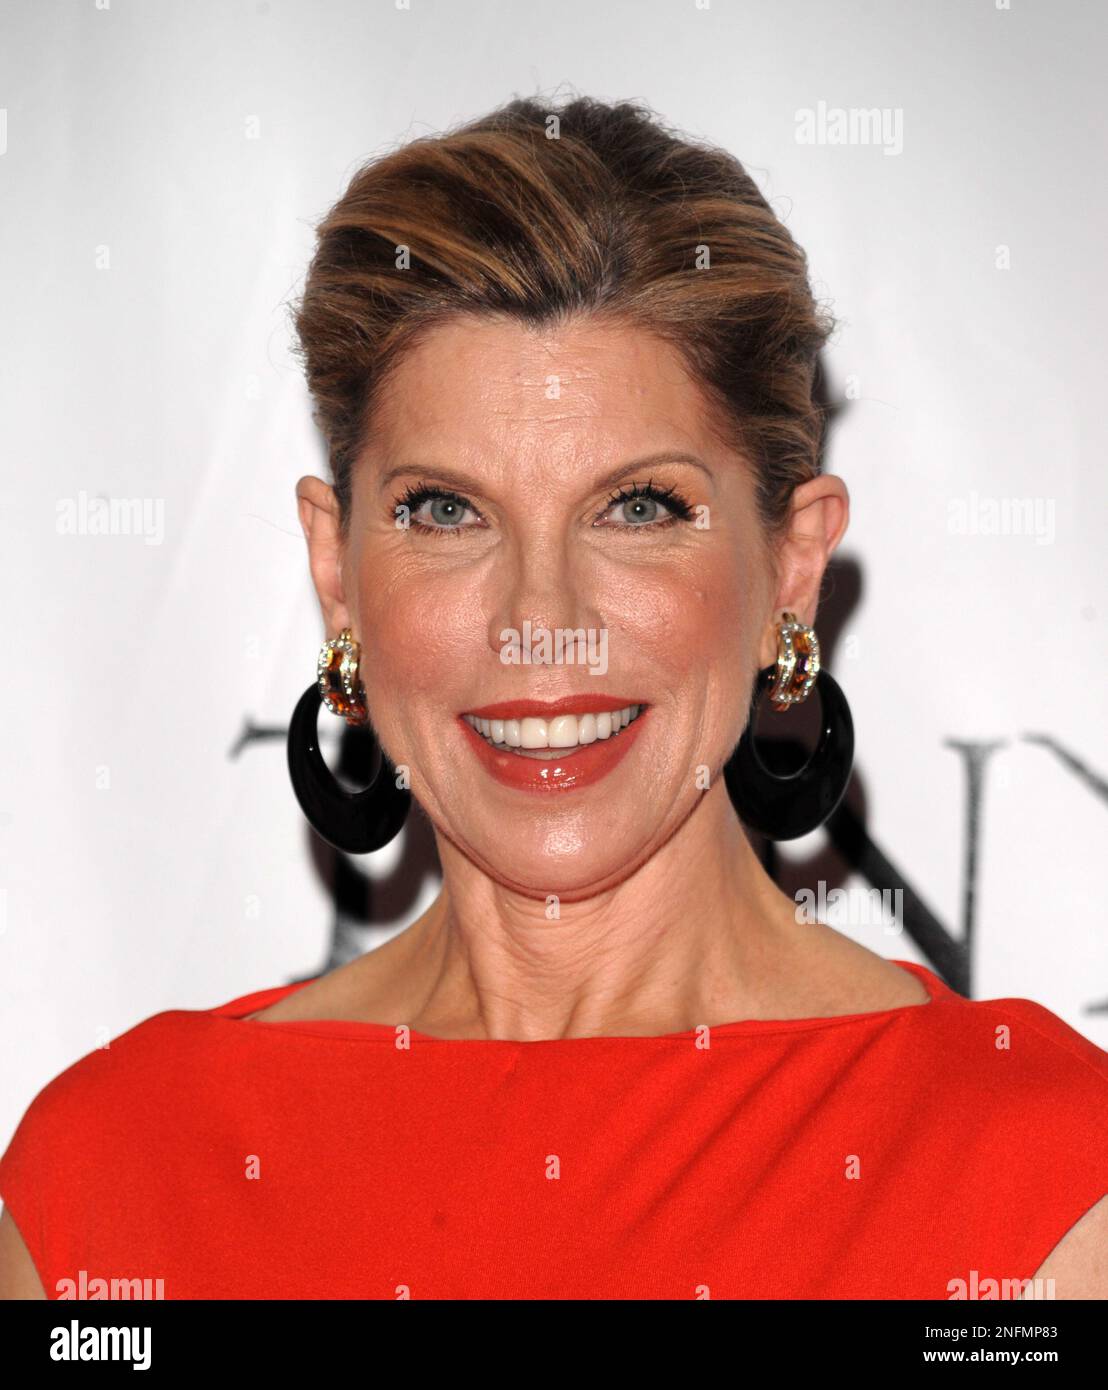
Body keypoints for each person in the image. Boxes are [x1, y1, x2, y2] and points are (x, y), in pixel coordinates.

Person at [2, 95, 1105, 1300]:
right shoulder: (116, 1182)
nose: (541, 618)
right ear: (336, 569)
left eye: (638, 507)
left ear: (791, 562)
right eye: (445, 510)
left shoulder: (1038, 1186)